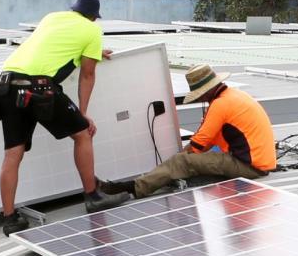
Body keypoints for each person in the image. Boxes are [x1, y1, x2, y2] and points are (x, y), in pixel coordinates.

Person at [0, 0, 130, 236]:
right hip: (38, 87)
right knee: (83, 133)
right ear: (93, 17)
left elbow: (52, 49)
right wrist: (83, 113)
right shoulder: (91, 31)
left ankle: (9, 219)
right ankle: (93, 196)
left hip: (6, 84)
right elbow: (88, 74)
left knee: (12, 153)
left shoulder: (52, 18)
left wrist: (94, 53)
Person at [99, 63, 275, 199]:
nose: (202, 98)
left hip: (249, 167)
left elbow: (198, 145)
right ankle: (146, 181)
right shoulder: (235, 95)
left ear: (207, 90)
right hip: (259, 162)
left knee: (183, 162)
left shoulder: (221, 104)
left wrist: (178, 160)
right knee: (183, 161)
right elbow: (212, 140)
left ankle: (134, 188)